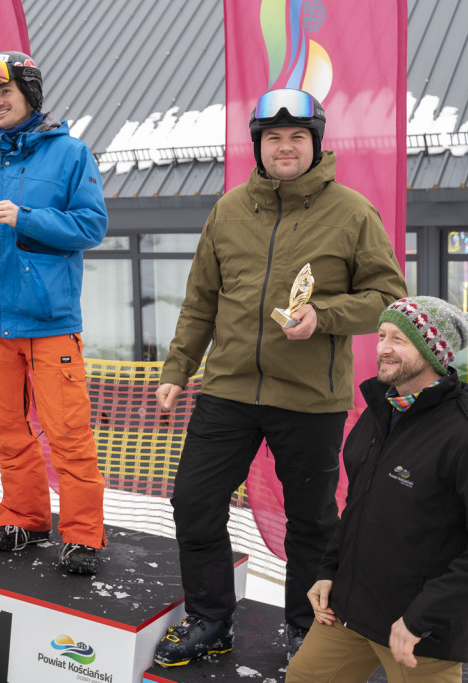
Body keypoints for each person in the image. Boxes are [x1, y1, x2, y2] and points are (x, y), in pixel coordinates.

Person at [152, 88, 408, 666]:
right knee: (193, 502)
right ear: (258, 146)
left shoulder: (352, 213)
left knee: (311, 523)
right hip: (228, 389)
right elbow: (200, 302)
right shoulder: (228, 211)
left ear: (315, 144)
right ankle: (210, 619)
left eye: (297, 136)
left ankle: (306, 629)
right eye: (273, 137)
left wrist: (324, 316)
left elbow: (388, 298)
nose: (285, 146)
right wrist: (178, 368)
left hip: (311, 398)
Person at [286, 297, 468, 682]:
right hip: (349, 611)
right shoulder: (380, 410)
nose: (383, 348)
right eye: (381, 335)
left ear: (433, 352)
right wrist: (329, 569)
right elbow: (358, 504)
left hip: (417, 633)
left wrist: (422, 616)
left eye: (399, 339)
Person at [0, 51, 108, 574]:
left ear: (30, 94)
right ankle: (25, 518)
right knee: (9, 432)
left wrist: (27, 218)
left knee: (69, 435)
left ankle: (82, 535)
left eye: (5, 93)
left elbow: (92, 226)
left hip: (50, 324)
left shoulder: (71, 154)